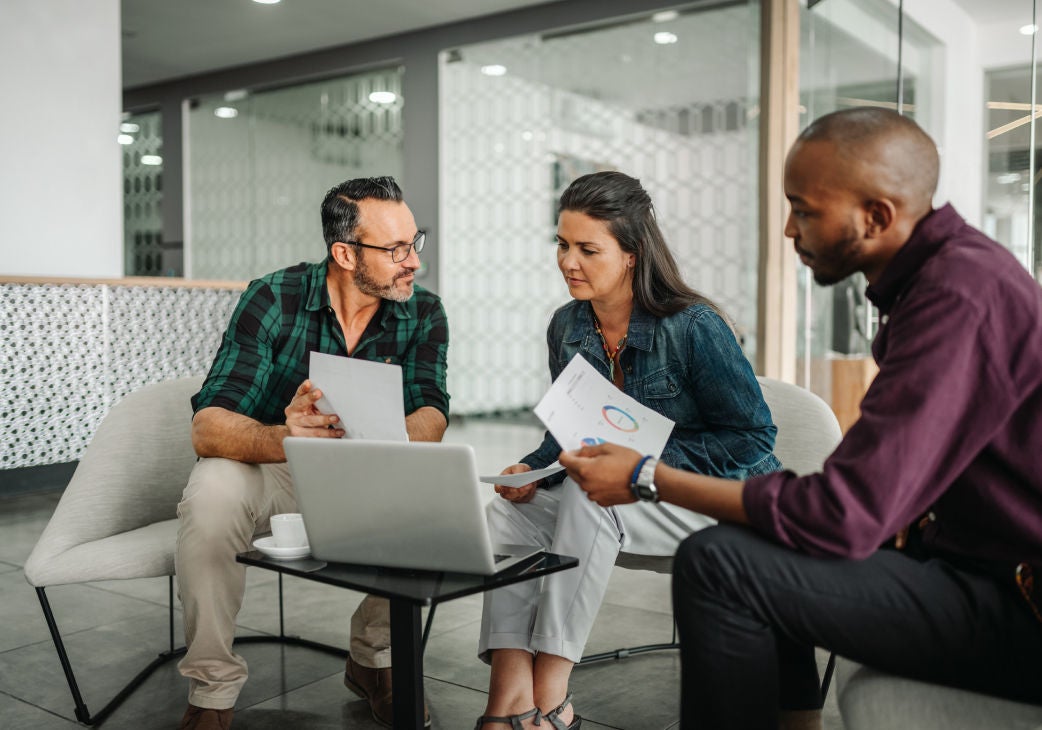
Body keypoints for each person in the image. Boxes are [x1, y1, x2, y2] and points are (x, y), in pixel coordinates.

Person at [560, 107, 1042, 729]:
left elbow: (844, 516)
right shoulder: (946, 278)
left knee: (719, 566)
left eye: (805, 209)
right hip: (971, 565)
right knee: (761, 538)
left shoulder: (958, 298)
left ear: (877, 217)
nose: (789, 229)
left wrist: (647, 477)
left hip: (1019, 605)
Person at [475, 171, 781, 729]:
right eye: (562, 245)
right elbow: (569, 427)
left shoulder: (694, 326)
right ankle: (508, 697)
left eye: (588, 249)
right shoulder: (566, 326)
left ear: (633, 255)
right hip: (630, 491)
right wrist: (534, 468)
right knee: (511, 513)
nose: (569, 261)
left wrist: (643, 464)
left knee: (592, 502)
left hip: (713, 498)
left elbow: (752, 438)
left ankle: (551, 698)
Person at [176, 176, 449, 730]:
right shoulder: (273, 297)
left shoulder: (424, 312)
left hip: (366, 470)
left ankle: (375, 660)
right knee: (212, 490)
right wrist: (286, 436)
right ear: (345, 253)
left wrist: (381, 439)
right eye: (394, 249)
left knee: (429, 494)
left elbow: (433, 412)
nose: (412, 262)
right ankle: (211, 691)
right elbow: (209, 427)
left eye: (413, 242)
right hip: (278, 470)